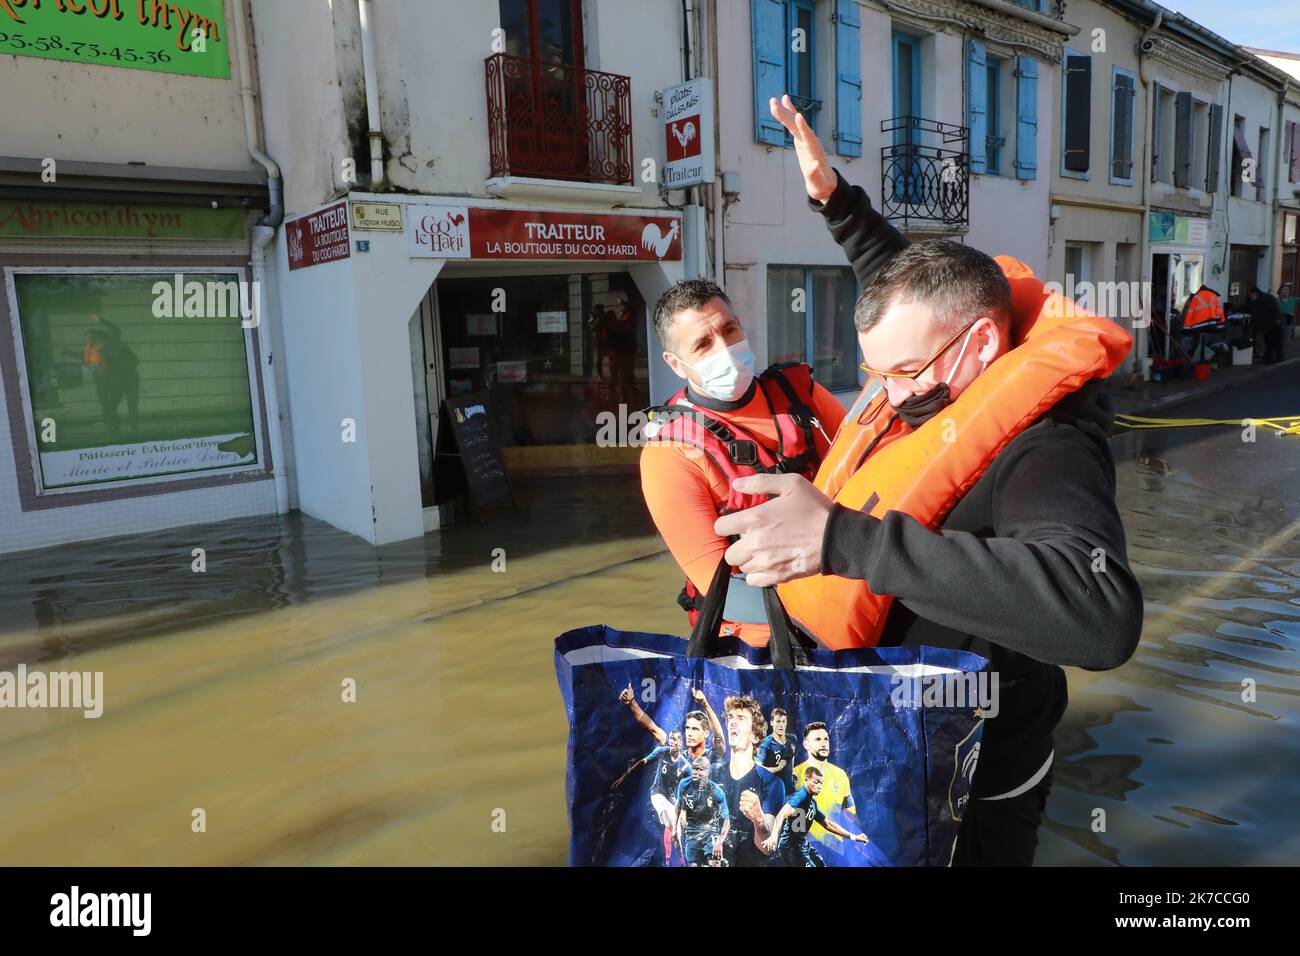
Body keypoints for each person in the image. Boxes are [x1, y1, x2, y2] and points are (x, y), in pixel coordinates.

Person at [712, 95, 1143, 866]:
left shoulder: (1049, 446)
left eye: (906, 373)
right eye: (875, 375)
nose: (892, 395)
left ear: (983, 343)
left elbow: (1102, 614)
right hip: (875, 742)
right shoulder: (931, 362)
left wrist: (843, 540)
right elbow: (903, 285)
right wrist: (835, 202)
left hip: (970, 784)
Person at [640, 278, 846, 644]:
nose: (724, 347)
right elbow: (721, 591)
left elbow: (869, 475)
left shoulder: (803, 394)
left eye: (729, 329)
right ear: (675, 363)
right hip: (762, 640)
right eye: (703, 344)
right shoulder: (668, 456)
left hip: (852, 593)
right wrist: (840, 579)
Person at [693, 690, 785, 865]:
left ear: (755, 736)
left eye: (741, 718)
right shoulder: (710, 774)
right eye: (730, 717)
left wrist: (759, 820)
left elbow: (767, 849)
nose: (732, 722)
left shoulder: (772, 783)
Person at [762, 766, 869, 867]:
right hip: (790, 846)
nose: (819, 786)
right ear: (806, 780)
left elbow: (827, 824)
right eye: (816, 782)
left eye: (821, 783)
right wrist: (774, 835)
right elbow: (783, 812)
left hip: (802, 843)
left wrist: (853, 837)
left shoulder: (812, 802)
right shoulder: (801, 795)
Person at [791, 721, 857, 854]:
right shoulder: (794, 775)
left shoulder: (840, 775)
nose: (823, 743)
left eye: (826, 739)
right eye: (817, 739)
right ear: (806, 744)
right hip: (804, 848)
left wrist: (854, 844)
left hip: (835, 848)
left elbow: (850, 813)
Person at [674, 756, 729, 866]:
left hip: (710, 832)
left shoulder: (717, 792)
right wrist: (675, 828)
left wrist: (719, 842)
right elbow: (678, 806)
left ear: (707, 771)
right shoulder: (684, 784)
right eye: (694, 768)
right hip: (691, 833)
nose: (695, 772)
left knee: (713, 863)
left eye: (700, 769)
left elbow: (727, 821)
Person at [755, 707, 796, 796]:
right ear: (772, 723)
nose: (781, 725)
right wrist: (776, 769)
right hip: (775, 795)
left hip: (791, 792)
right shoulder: (766, 744)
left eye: (783, 721)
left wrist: (790, 773)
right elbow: (757, 768)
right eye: (778, 721)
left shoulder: (793, 739)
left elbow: (790, 758)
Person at [1246, 286, 1285, 364]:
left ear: (1254, 293)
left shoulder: (1267, 298)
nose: (1250, 297)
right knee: (1271, 343)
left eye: (1250, 295)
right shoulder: (1262, 299)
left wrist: (1277, 321)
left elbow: (1275, 310)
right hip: (1271, 324)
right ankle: (1272, 358)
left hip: (1274, 324)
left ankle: (1271, 359)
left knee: (1271, 343)